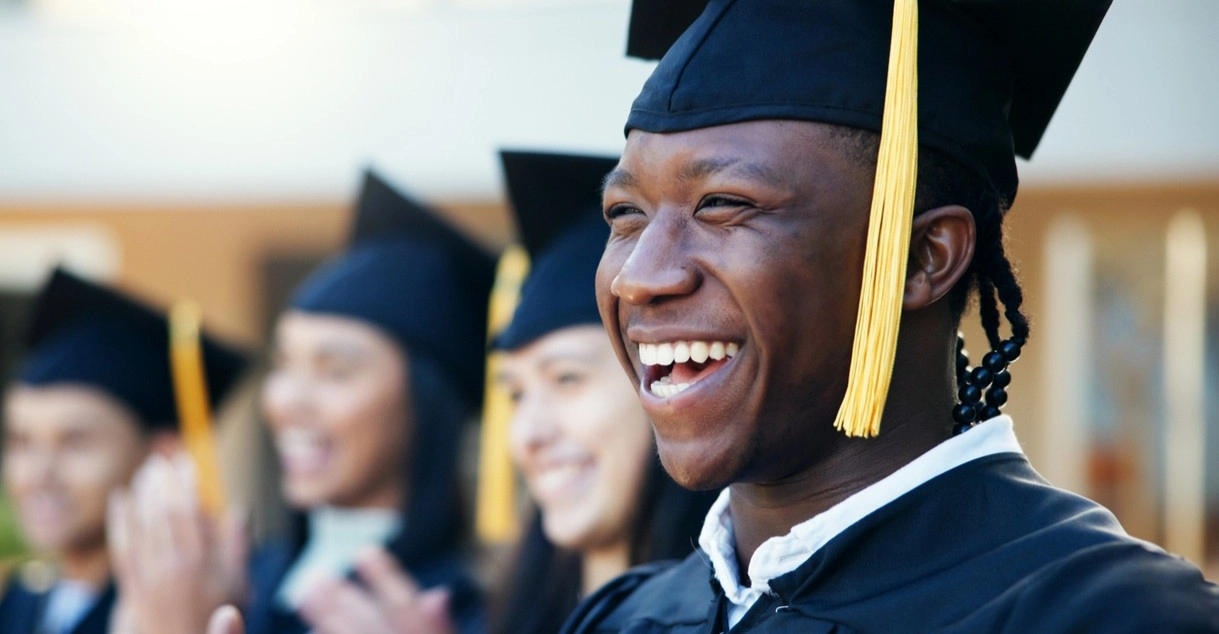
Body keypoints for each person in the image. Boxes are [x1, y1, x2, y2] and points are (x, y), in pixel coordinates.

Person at [560, 0, 1219, 631]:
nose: (637, 275)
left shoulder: (1105, 616)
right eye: (625, 215)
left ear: (920, 260)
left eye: (723, 204)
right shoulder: (623, 618)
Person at [265, 151, 718, 634]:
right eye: (516, 394)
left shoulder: (751, 612)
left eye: (566, 378)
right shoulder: (513, 613)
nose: (528, 433)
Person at [108, 171, 494, 634]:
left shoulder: (467, 609)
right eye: (284, 364)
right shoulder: (238, 581)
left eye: (335, 372)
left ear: (425, 403)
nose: (288, 401)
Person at [0, 268, 246, 634]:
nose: (38, 474)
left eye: (75, 442)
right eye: (21, 441)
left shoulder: (199, 608)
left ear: (161, 453)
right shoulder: (21, 599)